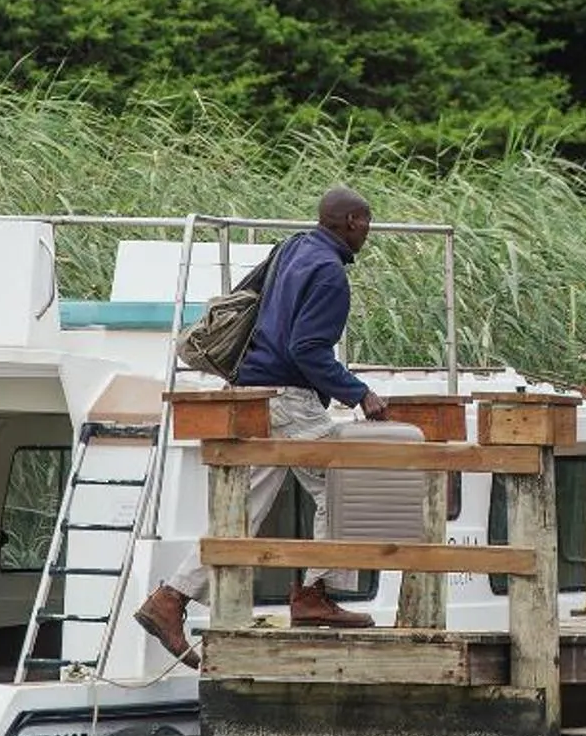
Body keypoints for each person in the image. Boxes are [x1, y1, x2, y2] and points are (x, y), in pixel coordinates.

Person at [135, 186, 399, 667]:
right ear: (351, 222)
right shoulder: (329, 273)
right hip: (289, 398)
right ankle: (316, 594)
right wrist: (360, 393)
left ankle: (169, 599)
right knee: (347, 484)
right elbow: (307, 350)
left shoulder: (294, 247)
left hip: (252, 393)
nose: (368, 231)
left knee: (243, 510)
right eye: (366, 223)